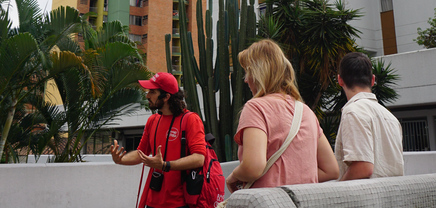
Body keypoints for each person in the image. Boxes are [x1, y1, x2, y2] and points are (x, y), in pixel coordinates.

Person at [225, 39, 339, 194]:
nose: (246, 80)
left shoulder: (256, 108)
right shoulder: (305, 111)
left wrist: (232, 177)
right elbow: (331, 170)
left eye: (248, 72)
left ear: (259, 74)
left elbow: (253, 167)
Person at [110, 72, 206, 208]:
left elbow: (199, 158)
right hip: (152, 201)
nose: (147, 95)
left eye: (152, 92)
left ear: (166, 96)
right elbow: (141, 153)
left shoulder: (190, 119)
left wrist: (165, 165)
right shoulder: (152, 120)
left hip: (179, 203)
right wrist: (121, 160)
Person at [335, 52, 404, 180]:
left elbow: (363, 167)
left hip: (365, 198)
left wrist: (339, 187)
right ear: (372, 80)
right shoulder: (391, 118)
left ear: (340, 80)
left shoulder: (353, 112)